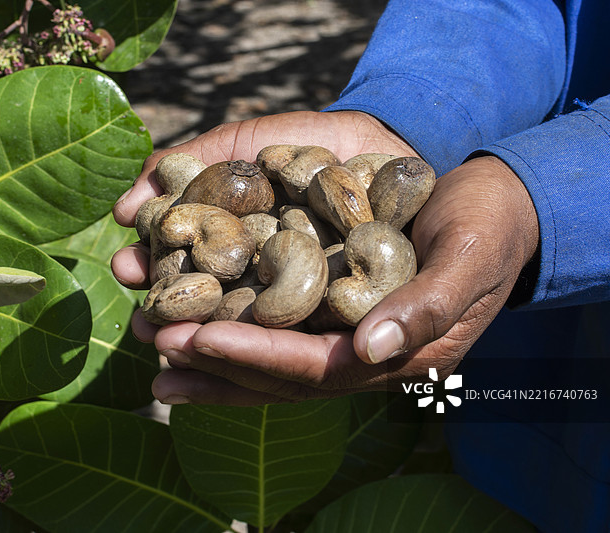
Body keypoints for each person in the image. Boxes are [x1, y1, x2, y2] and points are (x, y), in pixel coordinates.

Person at [112, 1, 610, 531]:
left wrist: (539, 198)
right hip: (511, 390)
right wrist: (410, 112)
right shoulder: (290, 237)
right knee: (490, 481)